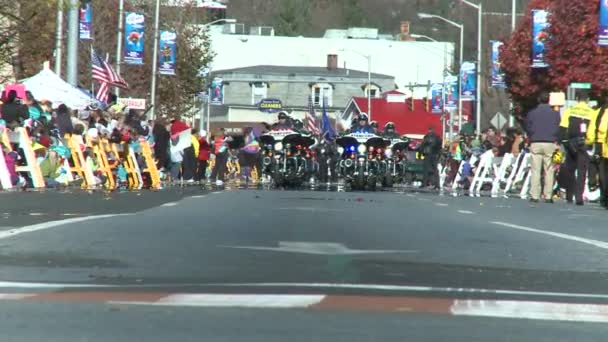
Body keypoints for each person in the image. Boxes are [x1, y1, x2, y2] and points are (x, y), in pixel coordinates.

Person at [559, 89, 598, 205]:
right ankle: (579, 197)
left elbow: (563, 127)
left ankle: (569, 196)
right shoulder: (592, 112)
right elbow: (593, 130)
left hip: (571, 142)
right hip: (584, 142)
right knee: (582, 170)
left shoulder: (570, 110)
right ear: (588, 100)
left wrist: (564, 142)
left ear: (576, 99)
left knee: (570, 169)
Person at [525, 91, 561, 203]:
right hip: (550, 142)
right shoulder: (555, 114)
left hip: (536, 141)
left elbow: (527, 126)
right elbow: (558, 126)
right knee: (549, 170)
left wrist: (532, 135)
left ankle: (534, 195)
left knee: (536, 170)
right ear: (549, 100)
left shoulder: (532, 113)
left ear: (538, 100)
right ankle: (548, 196)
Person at [588, 92, 608, 208]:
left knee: (602, 173)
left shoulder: (598, 112)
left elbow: (592, 130)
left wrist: (590, 142)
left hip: (601, 144)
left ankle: (604, 197)